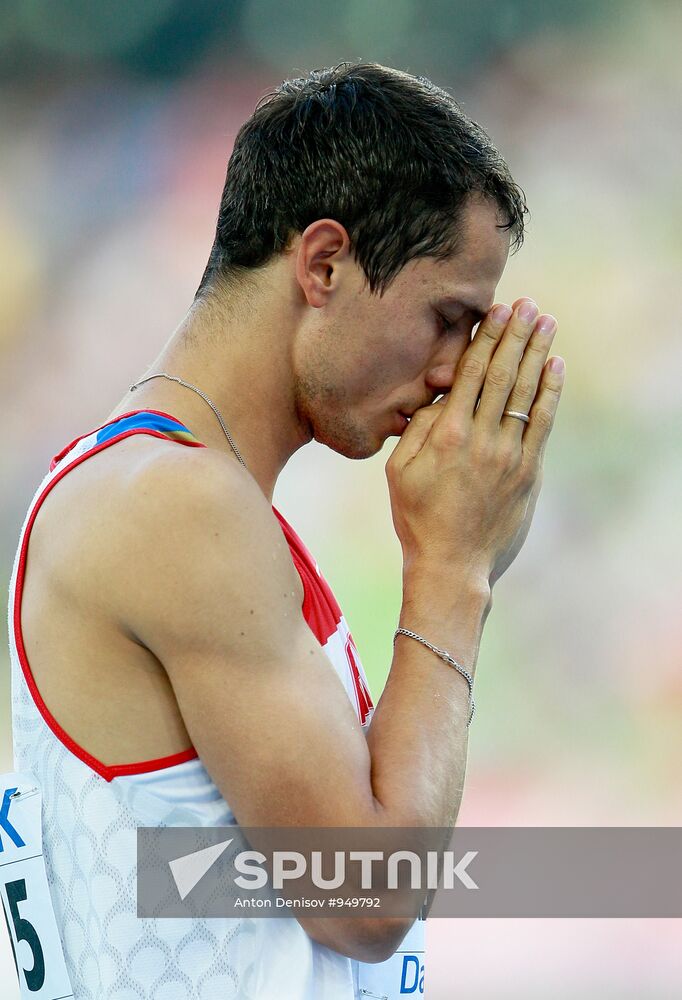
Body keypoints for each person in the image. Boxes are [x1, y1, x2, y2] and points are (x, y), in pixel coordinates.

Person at [6, 61, 564, 998]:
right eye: (447, 317)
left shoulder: (185, 496)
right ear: (324, 264)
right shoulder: (174, 509)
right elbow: (369, 900)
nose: (449, 374)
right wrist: (454, 568)